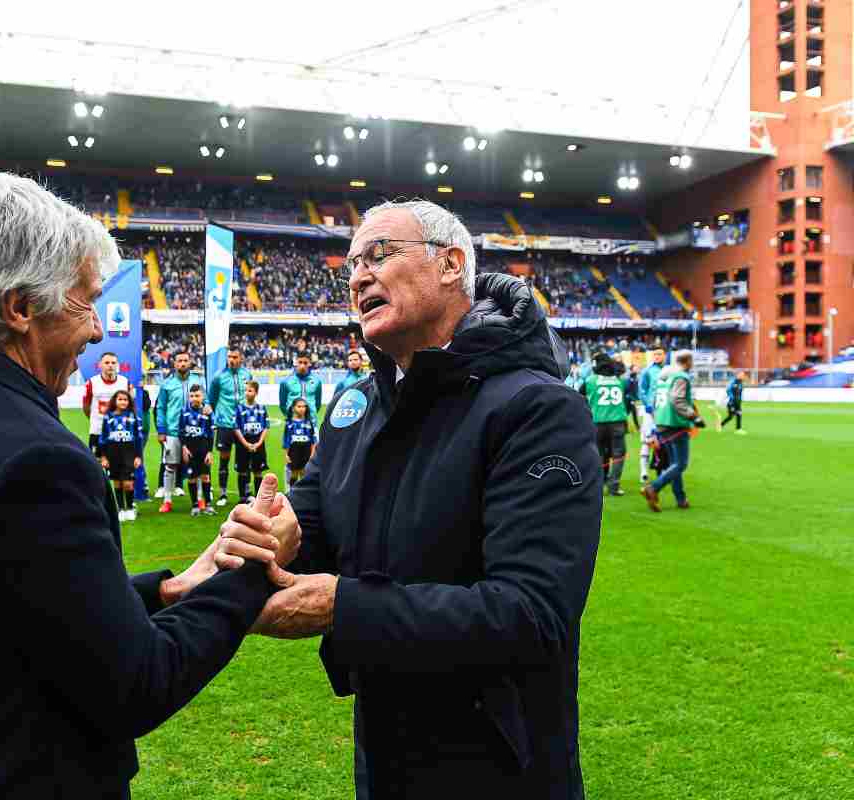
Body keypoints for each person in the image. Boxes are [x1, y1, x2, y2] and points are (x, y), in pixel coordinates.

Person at [0, 173, 291, 800]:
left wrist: (175, 588)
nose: (97, 331)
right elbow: (136, 684)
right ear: (19, 308)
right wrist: (253, 571)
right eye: (83, 302)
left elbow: (6, 614)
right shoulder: (31, 457)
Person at [216, 200, 601, 799]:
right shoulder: (355, 409)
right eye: (350, 265)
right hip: (386, 756)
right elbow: (311, 531)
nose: (358, 275)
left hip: (501, 767)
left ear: (450, 265)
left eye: (378, 254)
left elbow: (533, 614)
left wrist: (343, 608)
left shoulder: (537, 410)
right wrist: (275, 536)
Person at [643, 350, 706, 512]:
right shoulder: (681, 377)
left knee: (674, 463)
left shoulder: (664, 377)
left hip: (662, 422)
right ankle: (653, 488)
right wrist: (694, 417)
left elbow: (655, 400)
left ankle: (681, 499)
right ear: (687, 361)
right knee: (680, 463)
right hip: (674, 423)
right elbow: (677, 399)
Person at [155, 351, 202, 510]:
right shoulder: (167, 384)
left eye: (185, 360)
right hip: (173, 431)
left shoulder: (198, 381)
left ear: (190, 362)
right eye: (179, 361)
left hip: (195, 431)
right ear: (174, 364)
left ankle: (200, 499)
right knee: (171, 465)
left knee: (198, 465)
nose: (182, 363)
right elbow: (160, 408)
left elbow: (206, 402)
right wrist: (161, 429)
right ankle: (167, 500)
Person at [207, 348, 252, 507]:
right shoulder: (219, 376)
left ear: (241, 358)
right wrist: (213, 416)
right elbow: (211, 399)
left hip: (242, 424)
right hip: (224, 423)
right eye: (229, 357)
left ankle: (245, 494)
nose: (231, 359)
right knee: (224, 459)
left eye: (235, 356)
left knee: (244, 460)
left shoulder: (247, 375)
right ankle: (223, 493)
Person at [581, 350, 628, 496]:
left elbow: (579, 396)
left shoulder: (591, 381)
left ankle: (598, 484)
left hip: (597, 422)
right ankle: (614, 486)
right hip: (617, 422)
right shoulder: (619, 380)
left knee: (599, 454)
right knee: (619, 455)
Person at [278, 352, 322, 486]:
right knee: (291, 458)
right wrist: (292, 418)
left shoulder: (317, 381)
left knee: (311, 457)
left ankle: (307, 489)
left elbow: (318, 402)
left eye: (305, 363)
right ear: (295, 363)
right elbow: (282, 403)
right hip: (293, 424)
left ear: (309, 364)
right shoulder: (286, 382)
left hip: (311, 424)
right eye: (300, 362)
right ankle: (289, 489)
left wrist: (309, 416)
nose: (302, 366)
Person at [101, 389, 143, 521]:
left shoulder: (133, 417)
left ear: (129, 402)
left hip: (129, 452)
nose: (123, 402)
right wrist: (103, 456)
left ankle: (130, 508)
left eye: (125, 399)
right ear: (115, 401)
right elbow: (103, 437)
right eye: (120, 399)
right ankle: (120, 509)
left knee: (128, 483)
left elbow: (138, 438)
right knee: (117, 483)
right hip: (113, 452)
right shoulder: (108, 417)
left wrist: (138, 456)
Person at [82, 352, 129, 460]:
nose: (110, 365)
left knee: (117, 468)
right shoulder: (92, 383)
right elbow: (86, 406)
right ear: (100, 365)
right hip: (97, 431)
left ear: (117, 365)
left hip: (118, 432)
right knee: (97, 466)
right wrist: (95, 419)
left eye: (113, 362)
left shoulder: (124, 382)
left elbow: (129, 407)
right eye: (107, 362)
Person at [179, 384, 216, 517]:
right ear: (189, 397)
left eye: (197, 395)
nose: (195, 398)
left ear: (203, 397)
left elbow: (211, 434)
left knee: (205, 476)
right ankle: (195, 505)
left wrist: (210, 452)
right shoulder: (184, 412)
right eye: (192, 396)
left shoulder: (207, 412)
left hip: (203, 448)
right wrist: (183, 447)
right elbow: (181, 431)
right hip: (189, 449)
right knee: (192, 478)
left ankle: (208, 504)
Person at [233, 380, 269, 504]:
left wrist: (259, 443)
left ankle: (259, 498)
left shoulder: (262, 409)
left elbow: (266, 427)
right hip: (243, 442)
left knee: (258, 471)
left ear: (256, 392)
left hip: (257, 441)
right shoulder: (239, 408)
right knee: (243, 470)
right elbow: (236, 428)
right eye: (246, 391)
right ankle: (243, 497)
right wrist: (245, 443)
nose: (247, 393)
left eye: (250, 390)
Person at [637, 348, 665, 484]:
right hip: (650, 411)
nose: (657, 356)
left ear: (664, 355)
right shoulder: (647, 371)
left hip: (664, 411)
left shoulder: (668, 370)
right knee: (647, 440)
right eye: (655, 354)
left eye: (659, 354)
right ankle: (643, 471)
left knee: (664, 440)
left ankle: (663, 469)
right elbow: (642, 389)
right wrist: (647, 404)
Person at [282, 397, 316, 486]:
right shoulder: (289, 423)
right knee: (294, 473)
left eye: (304, 407)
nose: (302, 409)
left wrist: (312, 454)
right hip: (294, 452)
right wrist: (286, 454)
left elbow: (313, 440)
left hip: (306, 452)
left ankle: (303, 495)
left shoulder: (309, 422)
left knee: (304, 473)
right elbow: (286, 440)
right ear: (293, 408)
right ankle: (292, 493)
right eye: (299, 406)